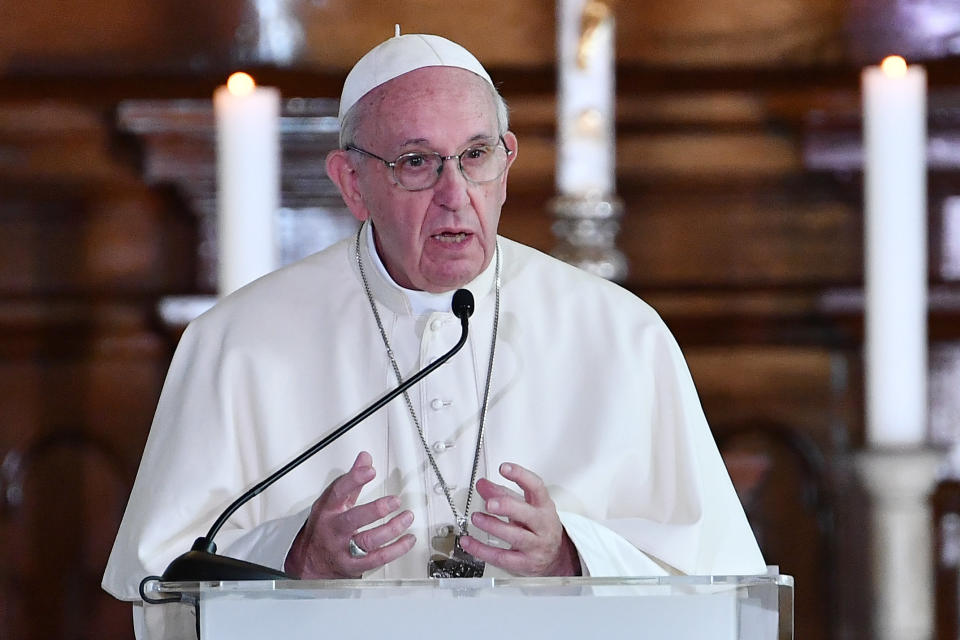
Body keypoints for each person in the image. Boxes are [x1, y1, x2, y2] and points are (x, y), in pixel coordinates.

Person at [103, 30, 765, 630]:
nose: (456, 194)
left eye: (475, 155)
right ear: (352, 182)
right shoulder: (236, 344)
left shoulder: (623, 336)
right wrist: (296, 557)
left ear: (506, 161)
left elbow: (720, 595)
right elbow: (158, 585)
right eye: (416, 163)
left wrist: (569, 557)